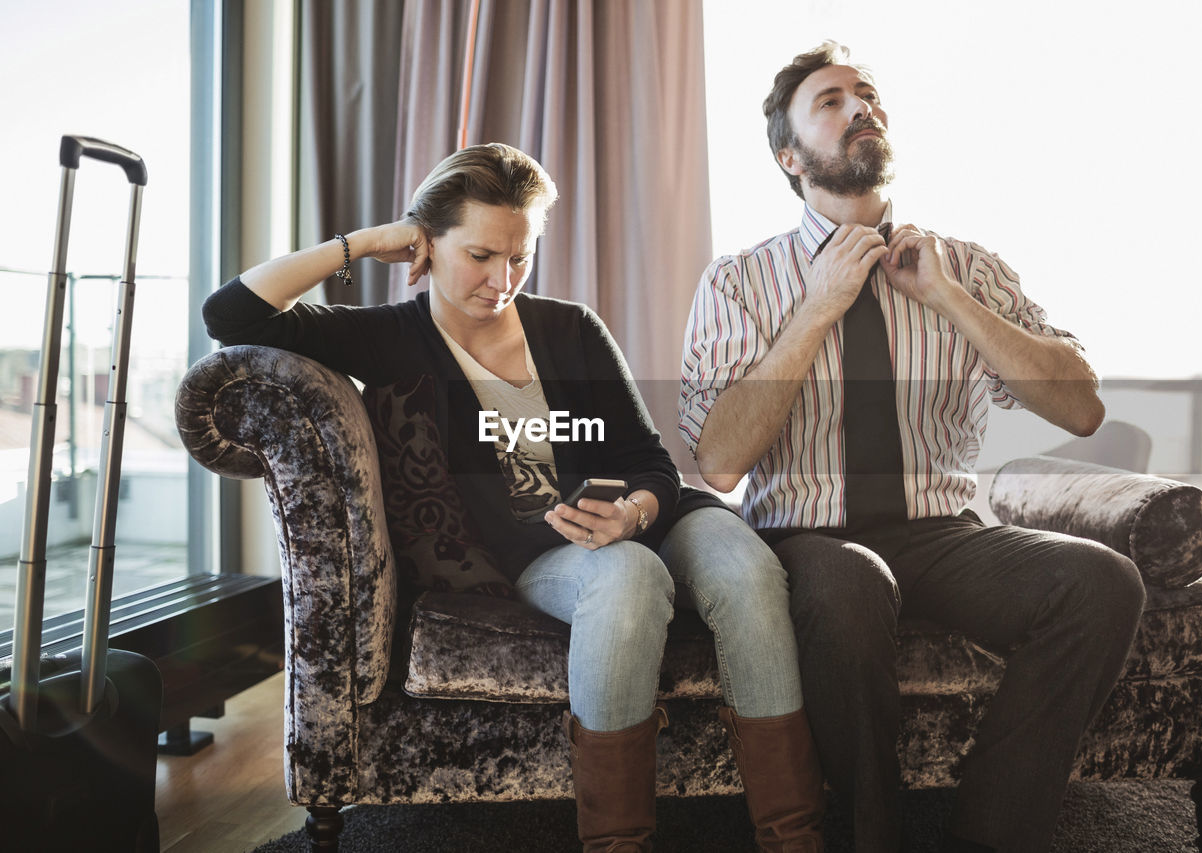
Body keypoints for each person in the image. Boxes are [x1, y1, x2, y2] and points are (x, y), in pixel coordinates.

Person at [203, 142, 824, 853]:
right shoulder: (389, 338)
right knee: (629, 576)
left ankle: (794, 840)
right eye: (480, 255)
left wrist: (635, 512)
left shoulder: (571, 328)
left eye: (521, 257)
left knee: (749, 571)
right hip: (547, 554)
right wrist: (366, 242)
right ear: (427, 243)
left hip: (656, 516)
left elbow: (650, 460)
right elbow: (231, 314)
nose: (503, 280)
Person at [679, 42, 1146, 853]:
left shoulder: (964, 266)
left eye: (868, 95)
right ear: (790, 157)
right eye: (831, 100)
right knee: (848, 585)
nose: (862, 107)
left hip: (946, 534)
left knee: (1102, 580)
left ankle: (992, 835)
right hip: (810, 539)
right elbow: (719, 462)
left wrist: (949, 299)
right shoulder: (737, 283)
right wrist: (818, 307)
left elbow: (1081, 407)